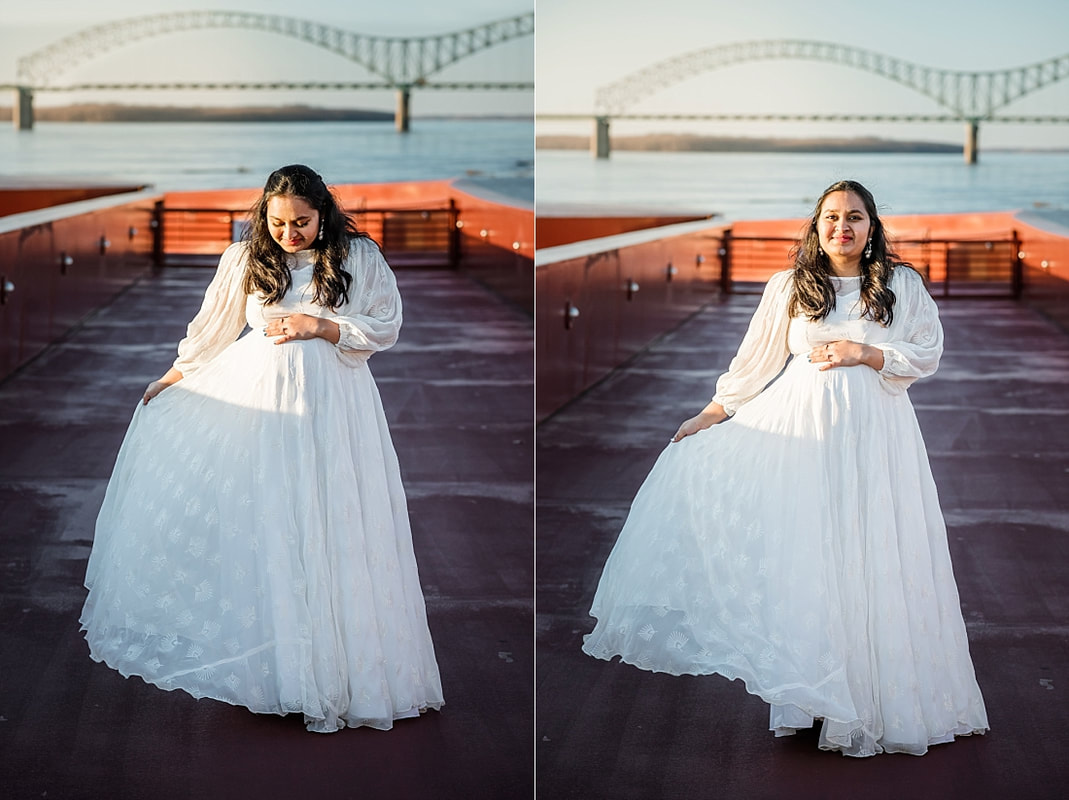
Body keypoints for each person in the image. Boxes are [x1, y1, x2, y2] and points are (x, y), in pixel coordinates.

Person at [581, 180, 988, 757]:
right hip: (803, 438)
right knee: (813, 558)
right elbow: (755, 363)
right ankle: (814, 696)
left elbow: (927, 351)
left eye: (854, 217)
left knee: (873, 553)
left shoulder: (901, 286)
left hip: (878, 438)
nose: (841, 227)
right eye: (830, 217)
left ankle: (877, 701)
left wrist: (865, 353)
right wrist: (713, 412)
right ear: (816, 226)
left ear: (872, 227)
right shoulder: (789, 287)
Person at [80, 164, 444, 733]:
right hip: (265, 409)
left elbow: (386, 324)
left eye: (301, 222)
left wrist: (319, 326)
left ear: (323, 212)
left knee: (335, 522)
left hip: (336, 410)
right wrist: (173, 378)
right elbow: (214, 330)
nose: (289, 234)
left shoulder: (359, 257)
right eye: (278, 223)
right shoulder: (244, 258)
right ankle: (284, 670)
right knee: (276, 522)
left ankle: (346, 671)